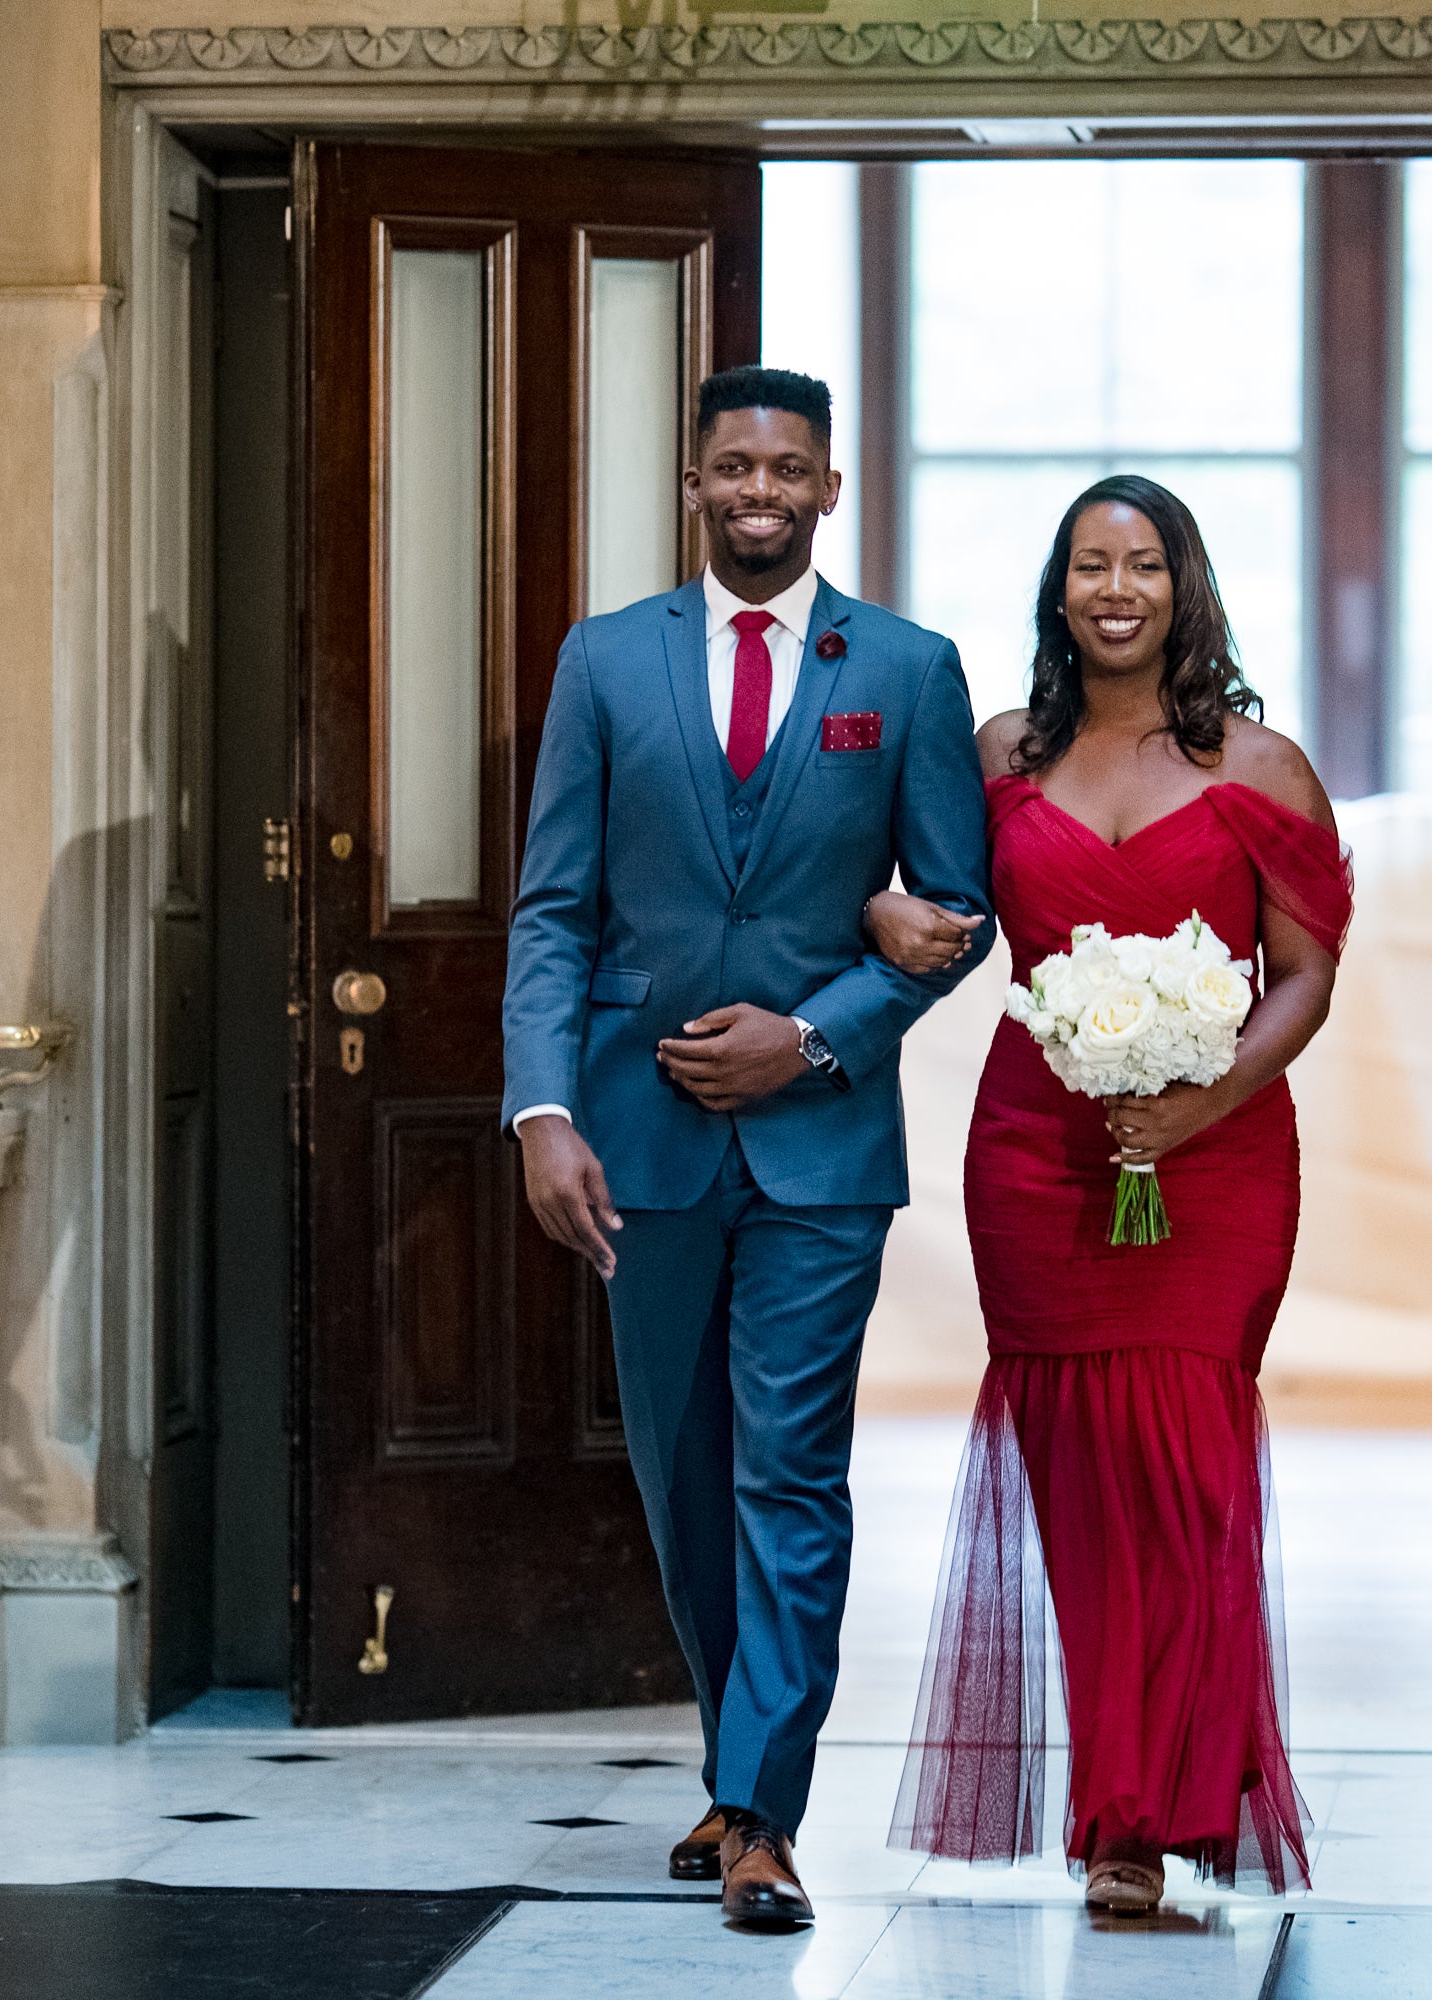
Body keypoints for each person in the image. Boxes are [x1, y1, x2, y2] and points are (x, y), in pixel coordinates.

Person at [501, 367, 991, 1930]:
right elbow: (553, 910)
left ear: (829, 487)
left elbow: (957, 916)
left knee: (790, 1471)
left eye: (789, 468)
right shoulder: (605, 661)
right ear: (695, 482)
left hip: (820, 1151)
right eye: (734, 466)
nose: (760, 490)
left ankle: (766, 1813)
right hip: (635, 1142)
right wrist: (543, 1110)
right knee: (684, 1477)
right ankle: (734, 1765)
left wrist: (817, 1034)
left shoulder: (905, 669)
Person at [880, 474, 1349, 1915]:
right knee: (1081, 1489)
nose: (1117, 589)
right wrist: (881, 909)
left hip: (1219, 1159)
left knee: (1192, 1479)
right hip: (1039, 1156)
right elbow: (928, 901)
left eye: (1144, 564)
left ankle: (1185, 1788)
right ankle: (1121, 1819)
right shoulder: (1000, 754)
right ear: (1059, 590)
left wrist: (1201, 1102)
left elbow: (1306, 973)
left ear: (1185, 586)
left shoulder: (1263, 767)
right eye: (1091, 564)